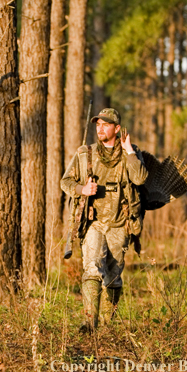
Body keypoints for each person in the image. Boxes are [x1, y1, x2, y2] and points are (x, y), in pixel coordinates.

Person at [61, 108, 148, 332]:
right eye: (97, 124)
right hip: (94, 222)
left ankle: (109, 325)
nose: (100, 128)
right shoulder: (85, 153)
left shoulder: (131, 153)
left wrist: (129, 151)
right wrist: (83, 189)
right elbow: (65, 182)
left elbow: (139, 179)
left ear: (117, 129)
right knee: (91, 267)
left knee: (113, 275)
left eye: (105, 125)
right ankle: (90, 323)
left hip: (120, 224)